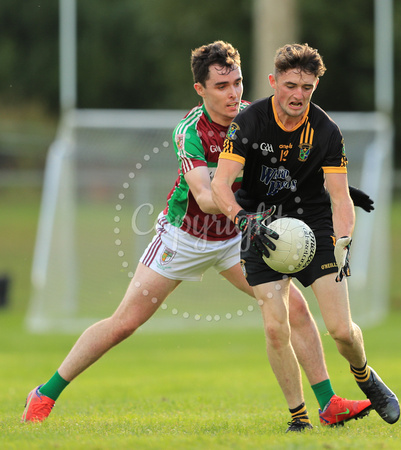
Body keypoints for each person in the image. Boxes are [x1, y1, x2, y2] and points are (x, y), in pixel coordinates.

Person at [22, 41, 373, 431]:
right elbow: (206, 197)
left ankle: (328, 403)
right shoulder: (191, 131)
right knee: (124, 323)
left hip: (236, 240)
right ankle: (45, 393)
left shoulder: (256, 119)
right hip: (184, 238)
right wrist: (246, 203)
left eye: (237, 83)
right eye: (221, 86)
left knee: (296, 310)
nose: (233, 94)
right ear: (200, 90)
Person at [211, 43, 400, 427]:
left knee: (342, 331)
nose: (298, 95)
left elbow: (341, 198)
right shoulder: (249, 123)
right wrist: (242, 218)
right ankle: (299, 418)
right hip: (260, 229)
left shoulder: (327, 131)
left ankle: (364, 375)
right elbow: (221, 184)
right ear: (273, 82)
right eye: (291, 85)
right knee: (274, 325)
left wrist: (343, 242)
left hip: (313, 229)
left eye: (308, 87)